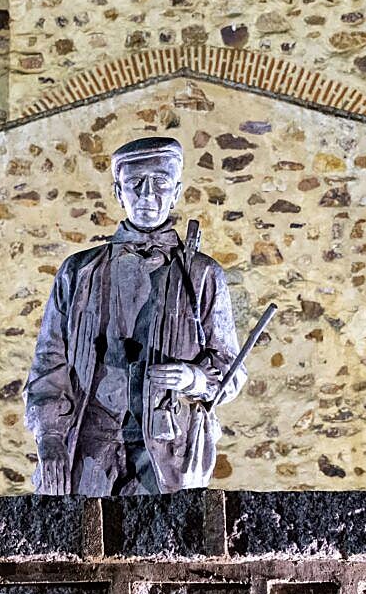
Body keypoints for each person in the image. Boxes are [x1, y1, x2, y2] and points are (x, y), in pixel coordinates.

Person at [23, 136, 246, 496]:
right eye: (135, 183)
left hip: (168, 453)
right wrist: (50, 437)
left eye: (160, 183)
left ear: (176, 192)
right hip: (88, 448)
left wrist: (193, 378)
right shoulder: (78, 272)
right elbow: (49, 363)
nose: (147, 195)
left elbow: (231, 370)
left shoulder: (202, 275)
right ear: (118, 192)